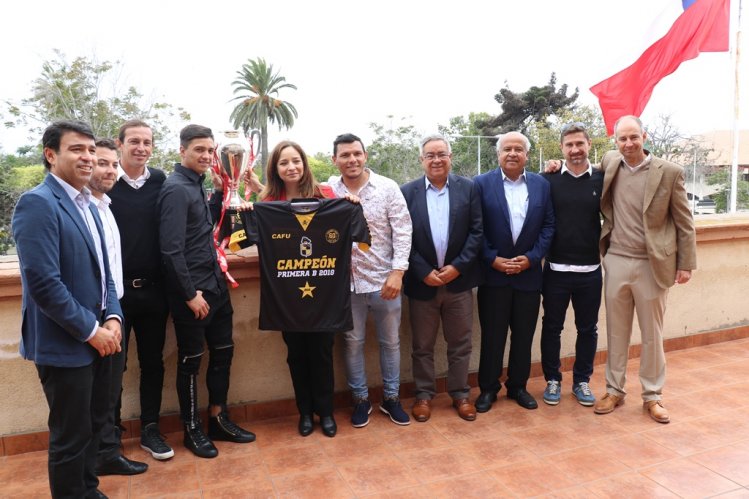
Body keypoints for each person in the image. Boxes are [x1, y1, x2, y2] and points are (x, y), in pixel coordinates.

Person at [13, 120, 122, 498]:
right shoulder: (38, 204)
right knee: (70, 436)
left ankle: (88, 490)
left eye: (91, 150)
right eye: (77, 149)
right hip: (66, 344)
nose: (88, 157)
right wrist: (93, 331)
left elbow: (105, 271)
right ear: (50, 155)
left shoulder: (88, 205)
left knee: (94, 425)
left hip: (101, 338)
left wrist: (113, 316)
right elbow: (44, 284)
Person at [233, 140, 367, 438]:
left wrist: (353, 206)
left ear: (305, 164)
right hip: (287, 298)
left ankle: (326, 412)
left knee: (321, 354)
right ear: (276, 169)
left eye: (296, 161)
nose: (291, 167)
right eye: (284, 163)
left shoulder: (328, 195)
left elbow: (358, 234)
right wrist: (245, 211)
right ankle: (305, 413)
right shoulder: (267, 204)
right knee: (296, 355)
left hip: (325, 295)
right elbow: (239, 243)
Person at [158, 124, 255, 459]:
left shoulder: (198, 186)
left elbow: (204, 231)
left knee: (223, 354)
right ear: (182, 150)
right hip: (193, 294)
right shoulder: (174, 189)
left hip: (216, 286)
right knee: (190, 361)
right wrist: (189, 295)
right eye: (198, 149)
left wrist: (223, 196)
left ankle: (218, 419)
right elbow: (171, 250)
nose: (205, 155)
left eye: (209, 150)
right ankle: (192, 429)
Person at [592, 115, 696, 423]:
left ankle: (653, 396)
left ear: (644, 136)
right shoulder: (611, 163)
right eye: (622, 139)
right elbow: (581, 164)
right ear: (615, 142)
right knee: (616, 331)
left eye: (633, 137)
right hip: (616, 261)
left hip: (653, 265)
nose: (628, 144)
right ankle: (614, 390)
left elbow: (684, 222)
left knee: (653, 334)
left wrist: (686, 264)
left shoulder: (669, 172)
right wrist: (556, 163)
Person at [329, 133, 413, 427]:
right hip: (346, 286)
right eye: (345, 155)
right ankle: (360, 400)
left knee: (390, 343)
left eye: (356, 154)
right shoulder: (328, 191)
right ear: (335, 160)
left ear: (365, 155)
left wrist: (398, 272)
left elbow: (403, 231)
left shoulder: (388, 188)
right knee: (352, 344)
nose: (351, 159)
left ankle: (391, 398)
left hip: (384, 282)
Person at [401, 134, 483, 422]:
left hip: (458, 282)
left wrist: (458, 267)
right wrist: (423, 271)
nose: (436, 160)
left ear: (450, 157)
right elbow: (401, 239)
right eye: (430, 155)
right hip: (422, 283)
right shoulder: (406, 192)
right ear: (422, 160)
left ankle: (460, 394)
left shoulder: (468, 189)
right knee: (422, 346)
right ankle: (423, 395)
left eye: (441, 154)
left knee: (460, 343)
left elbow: (477, 232)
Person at [473, 131, 554, 412]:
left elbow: (548, 227)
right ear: (498, 154)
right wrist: (491, 258)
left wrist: (532, 259)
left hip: (528, 276)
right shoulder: (481, 184)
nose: (512, 153)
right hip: (493, 276)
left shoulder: (541, 185)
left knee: (523, 336)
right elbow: (475, 228)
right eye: (507, 148)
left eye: (518, 149)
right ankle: (488, 389)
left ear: (527, 155)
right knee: (493, 336)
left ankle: (518, 386)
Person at [108, 120, 173, 460]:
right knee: (113, 367)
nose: (141, 148)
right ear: (120, 145)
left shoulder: (162, 182)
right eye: (134, 141)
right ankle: (111, 436)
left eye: (147, 142)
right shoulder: (105, 183)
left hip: (153, 292)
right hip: (114, 295)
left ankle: (150, 429)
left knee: (153, 364)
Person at [91, 139, 148, 476]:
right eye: (102, 163)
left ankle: (107, 453)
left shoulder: (106, 206)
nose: (109, 170)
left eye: (113, 164)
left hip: (114, 309)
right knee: (97, 393)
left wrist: (114, 312)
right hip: (94, 316)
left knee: (110, 386)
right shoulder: (84, 209)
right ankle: (99, 456)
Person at [539, 123, 604, 407]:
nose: (575, 150)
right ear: (562, 148)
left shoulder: (603, 178)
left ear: (589, 144)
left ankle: (582, 381)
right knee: (552, 327)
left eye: (580, 144)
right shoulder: (548, 179)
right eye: (569, 145)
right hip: (555, 271)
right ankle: (552, 379)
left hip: (590, 271)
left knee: (587, 329)